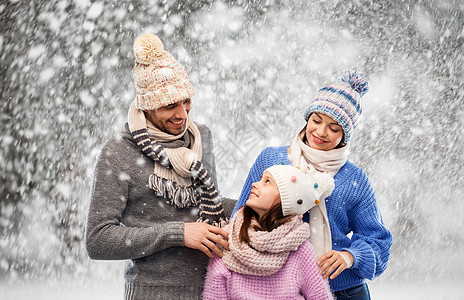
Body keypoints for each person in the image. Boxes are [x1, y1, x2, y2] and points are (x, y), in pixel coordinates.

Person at [85, 33, 234, 300]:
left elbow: (207, 206)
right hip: (152, 293)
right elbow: (98, 240)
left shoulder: (200, 137)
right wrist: (178, 234)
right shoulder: (118, 152)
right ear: (147, 107)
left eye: (186, 101)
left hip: (213, 289)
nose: (182, 115)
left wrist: (262, 200)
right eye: (169, 105)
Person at [231, 71, 392, 299]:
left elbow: (379, 241)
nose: (321, 132)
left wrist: (349, 257)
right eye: (316, 120)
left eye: (334, 128)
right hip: (281, 288)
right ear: (307, 118)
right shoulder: (271, 160)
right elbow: (240, 217)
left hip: (344, 291)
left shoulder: (354, 179)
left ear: (345, 136)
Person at [203, 165, 335, 300]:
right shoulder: (229, 239)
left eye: (267, 182)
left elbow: (320, 296)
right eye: (260, 179)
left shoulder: (300, 250)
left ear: (286, 199)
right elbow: (214, 295)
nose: (254, 184)